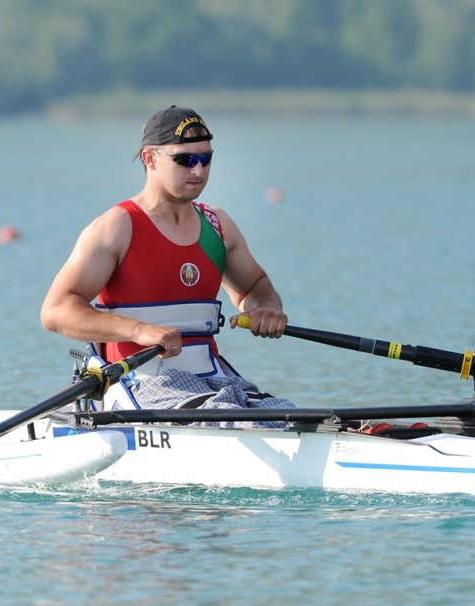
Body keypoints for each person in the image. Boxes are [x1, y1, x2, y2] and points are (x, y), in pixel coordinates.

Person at [41, 105, 292, 420]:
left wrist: (265, 307)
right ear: (150, 158)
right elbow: (55, 311)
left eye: (206, 158)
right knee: (235, 419)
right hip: (139, 380)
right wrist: (139, 330)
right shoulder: (117, 226)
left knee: (288, 415)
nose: (198, 171)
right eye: (185, 160)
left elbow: (255, 288)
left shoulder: (218, 225)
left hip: (213, 380)